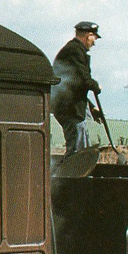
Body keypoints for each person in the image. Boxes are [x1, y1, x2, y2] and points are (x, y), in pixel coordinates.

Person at [51, 21, 104, 157]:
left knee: (80, 147)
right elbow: (84, 79)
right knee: (76, 152)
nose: (94, 42)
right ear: (88, 35)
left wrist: (91, 108)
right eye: (94, 38)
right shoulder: (74, 51)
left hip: (72, 107)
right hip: (70, 110)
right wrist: (96, 86)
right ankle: (69, 176)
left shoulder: (75, 50)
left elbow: (76, 86)